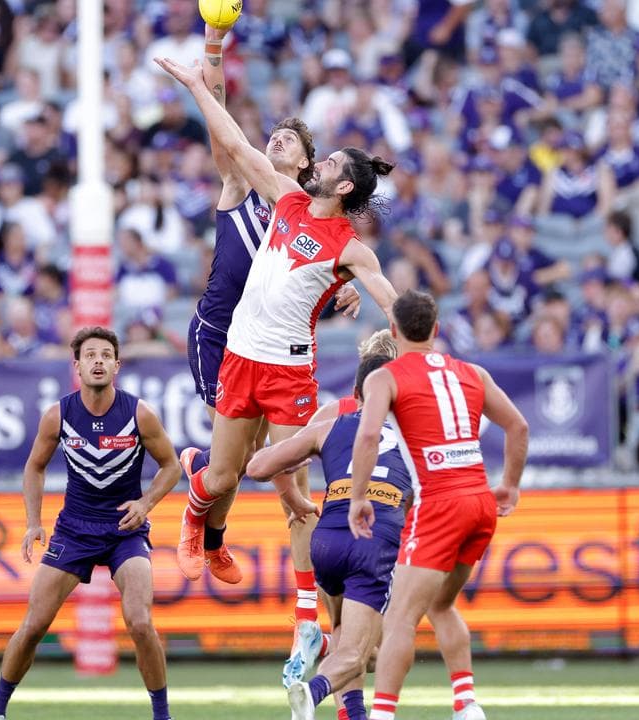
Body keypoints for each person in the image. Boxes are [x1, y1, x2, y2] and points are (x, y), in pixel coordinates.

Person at [153, 57, 400, 620]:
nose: (322, 162)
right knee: (223, 475)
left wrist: (413, 345)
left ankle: (307, 620)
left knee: (296, 495)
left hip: (289, 372)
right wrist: (196, 86)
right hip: (239, 357)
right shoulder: (286, 197)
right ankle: (196, 512)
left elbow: (388, 297)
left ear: (342, 185)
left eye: (330, 162)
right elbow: (234, 145)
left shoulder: (350, 248)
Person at [179, 24, 359, 598]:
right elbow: (221, 122)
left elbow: (323, 275)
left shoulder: (311, 217)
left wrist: (348, 288)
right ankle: (206, 528)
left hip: (271, 347)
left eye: (289, 140)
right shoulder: (240, 181)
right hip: (220, 334)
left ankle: (224, 537)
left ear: (308, 165)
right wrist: (213, 47)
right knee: (240, 461)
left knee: (255, 461)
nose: (276, 140)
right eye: (273, 135)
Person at [346, 289, 529, 720]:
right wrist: (510, 485)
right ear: (437, 329)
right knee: (441, 605)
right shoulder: (472, 372)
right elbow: (518, 426)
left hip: (439, 503)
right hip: (480, 501)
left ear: (393, 330)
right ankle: (467, 704)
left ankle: (382, 714)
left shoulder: (384, 377)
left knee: (399, 618)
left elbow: (368, 435)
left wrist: (358, 497)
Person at [0, 327, 181, 720]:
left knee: (140, 623)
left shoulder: (139, 413)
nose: (98, 361)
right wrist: (32, 522)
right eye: (90, 355)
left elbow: (172, 466)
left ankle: (162, 715)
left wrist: (146, 503)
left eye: (105, 355)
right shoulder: (58, 414)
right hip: (74, 530)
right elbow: (34, 467)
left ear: (117, 365)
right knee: (34, 625)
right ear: (76, 366)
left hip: (125, 531)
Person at [245, 353, 411, 720]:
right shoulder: (413, 435)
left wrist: (296, 469)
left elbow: (256, 467)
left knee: (346, 638)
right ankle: (311, 691)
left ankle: (346, 697)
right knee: (369, 652)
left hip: (327, 541)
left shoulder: (329, 426)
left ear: (356, 393)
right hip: (373, 539)